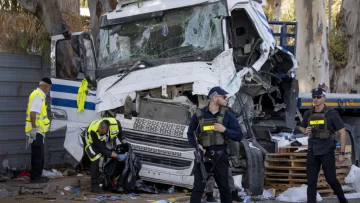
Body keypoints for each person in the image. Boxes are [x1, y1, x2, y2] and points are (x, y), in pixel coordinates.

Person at [187, 86, 243, 203]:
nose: (226, 99)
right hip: (203, 157)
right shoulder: (199, 114)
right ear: (214, 97)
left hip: (220, 156)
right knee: (198, 188)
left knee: (224, 188)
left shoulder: (228, 115)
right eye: (223, 96)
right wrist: (198, 146)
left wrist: (224, 130)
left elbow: (239, 135)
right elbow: (190, 133)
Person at [299, 87, 348, 203]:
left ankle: (343, 201)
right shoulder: (308, 113)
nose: (316, 99)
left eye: (318, 97)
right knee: (311, 182)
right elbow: (301, 126)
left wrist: (341, 153)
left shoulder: (332, 114)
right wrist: (305, 130)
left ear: (324, 98)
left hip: (327, 150)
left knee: (331, 179)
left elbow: (342, 132)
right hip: (312, 151)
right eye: (314, 97)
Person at [82, 117, 128, 193]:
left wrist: (124, 141)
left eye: (102, 133)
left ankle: (101, 179)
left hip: (100, 140)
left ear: (108, 129)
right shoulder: (94, 131)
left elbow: (120, 133)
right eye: (100, 132)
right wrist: (117, 156)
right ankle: (94, 186)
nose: (100, 133)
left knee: (107, 154)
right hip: (89, 139)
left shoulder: (116, 124)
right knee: (95, 158)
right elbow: (102, 149)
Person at [25, 77, 52, 183]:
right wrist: (34, 129)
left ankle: (37, 176)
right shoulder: (38, 96)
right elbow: (33, 113)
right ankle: (36, 177)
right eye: (49, 87)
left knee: (38, 154)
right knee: (38, 155)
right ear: (46, 86)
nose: (49, 89)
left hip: (38, 131)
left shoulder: (39, 95)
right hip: (36, 131)